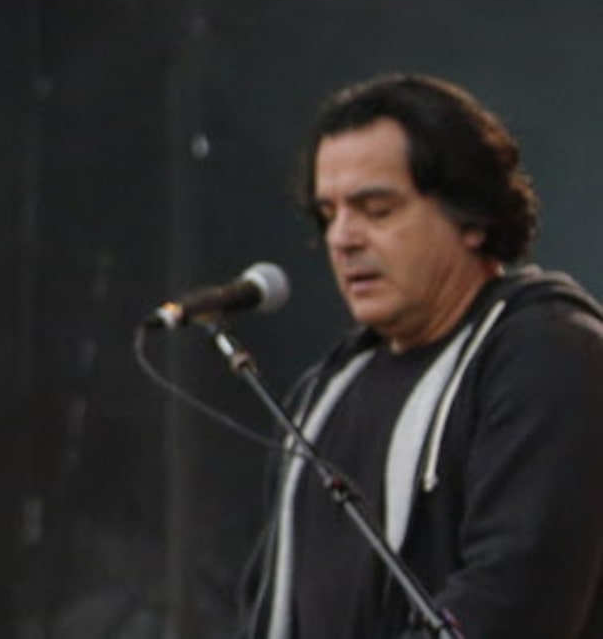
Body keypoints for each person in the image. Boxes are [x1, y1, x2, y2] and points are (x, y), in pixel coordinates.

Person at [245, 72, 603, 638]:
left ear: (474, 218)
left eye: (376, 209)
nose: (343, 238)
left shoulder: (546, 350)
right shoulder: (325, 391)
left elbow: (514, 599)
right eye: (328, 213)